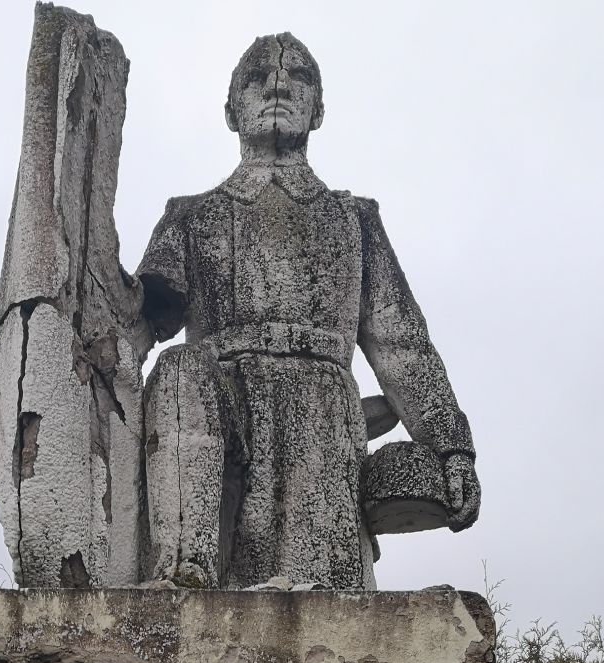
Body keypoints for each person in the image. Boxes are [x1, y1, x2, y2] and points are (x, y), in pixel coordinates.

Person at [136, 32, 480, 591]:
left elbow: (402, 347)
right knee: (176, 369)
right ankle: (184, 572)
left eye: (299, 77)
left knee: (323, 612)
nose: (278, 85)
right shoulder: (189, 217)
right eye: (258, 78)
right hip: (218, 403)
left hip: (319, 417)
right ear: (232, 111)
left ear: (318, 110)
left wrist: (451, 445)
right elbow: (137, 325)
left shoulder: (354, 220)